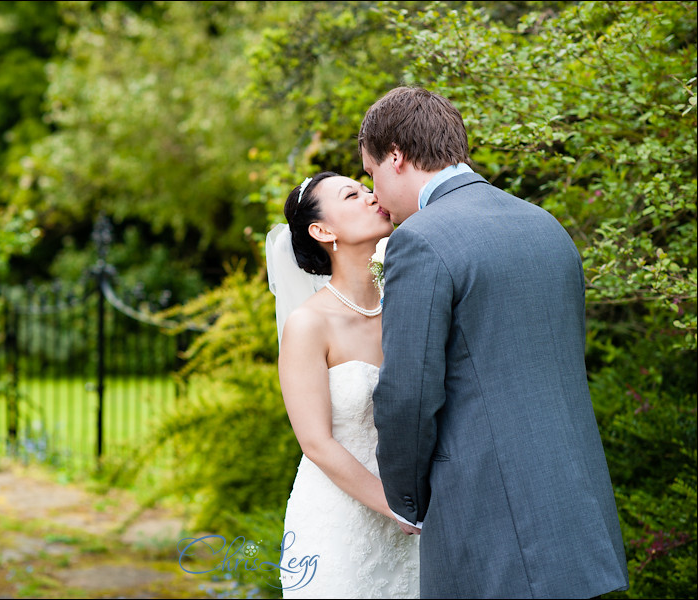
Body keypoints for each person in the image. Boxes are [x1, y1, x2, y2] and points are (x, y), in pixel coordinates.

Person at [360, 86, 629, 598]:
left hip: (489, 524)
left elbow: (408, 395)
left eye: (371, 174)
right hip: (577, 513)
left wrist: (405, 499)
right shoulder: (547, 226)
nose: (375, 195)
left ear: (395, 157)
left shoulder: (421, 240)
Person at [266, 172, 419, 599]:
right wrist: (396, 508)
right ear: (322, 231)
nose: (371, 196)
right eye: (352, 194)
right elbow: (316, 443)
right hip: (341, 524)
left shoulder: (409, 303)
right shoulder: (308, 324)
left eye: (367, 188)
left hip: (420, 520)